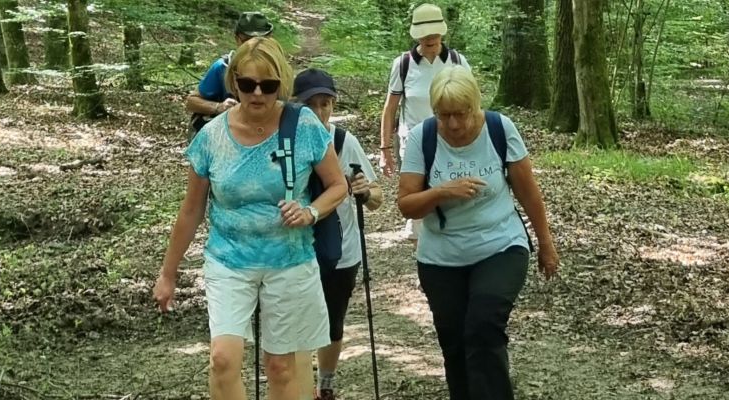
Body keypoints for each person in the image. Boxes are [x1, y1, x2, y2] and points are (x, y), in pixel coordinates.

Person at [155, 37, 348, 400]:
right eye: (247, 84)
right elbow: (191, 209)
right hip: (229, 260)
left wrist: (310, 212)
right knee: (223, 360)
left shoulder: (304, 125)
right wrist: (168, 273)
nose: (257, 94)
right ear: (234, 82)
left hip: (290, 261)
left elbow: (338, 186)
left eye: (269, 86)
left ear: (281, 85)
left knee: (281, 367)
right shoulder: (211, 137)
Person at [396, 67, 559, 400]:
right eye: (445, 116)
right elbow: (407, 205)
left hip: (500, 244)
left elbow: (528, 192)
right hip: (441, 256)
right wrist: (441, 192)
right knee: (454, 341)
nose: (454, 124)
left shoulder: (499, 129)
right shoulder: (422, 138)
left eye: (461, 114)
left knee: (484, 326)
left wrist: (546, 244)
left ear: (475, 106)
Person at [292, 68, 381, 400]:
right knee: (297, 323)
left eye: (326, 103)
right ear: (294, 105)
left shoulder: (344, 142)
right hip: (293, 248)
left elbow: (376, 199)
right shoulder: (283, 140)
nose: (319, 111)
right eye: (311, 104)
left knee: (332, 322)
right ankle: (298, 386)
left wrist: (364, 191)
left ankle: (324, 383)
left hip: (342, 251)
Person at [377, 3, 470, 177]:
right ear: (417, 36)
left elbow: (473, 105)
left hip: (451, 144)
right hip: (413, 145)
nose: (430, 39)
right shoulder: (403, 64)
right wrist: (385, 149)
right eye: (424, 35)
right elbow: (390, 109)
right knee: (416, 199)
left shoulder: (458, 61)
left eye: (434, 34)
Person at [184, 12, 275, 133]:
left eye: (260, 41)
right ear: (237, 39)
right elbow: (191, 102)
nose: (253, 46)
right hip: (228, 137)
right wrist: (219, 107)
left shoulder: (277, 69)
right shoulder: (223, 67)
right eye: (247, 41)